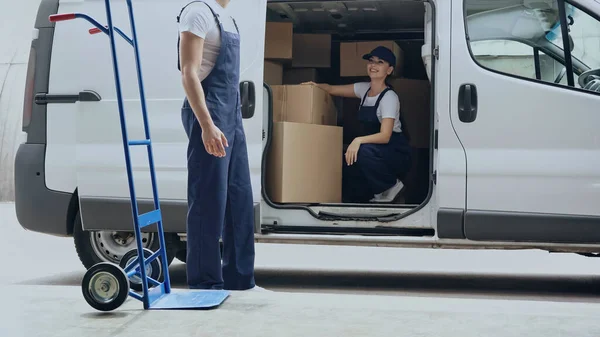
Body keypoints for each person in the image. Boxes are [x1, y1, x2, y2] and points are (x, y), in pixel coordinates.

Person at [177, 0, 258, 291]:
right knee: (208, 200)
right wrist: (207, 125)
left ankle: (240, 279)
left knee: (239, 198)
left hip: (230, 115)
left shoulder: (227, 18)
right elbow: (188, 72)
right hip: (208, 112)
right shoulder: (197, 12)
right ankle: (204, 282)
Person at [304, 46, 412, 203]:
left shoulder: (389, 97)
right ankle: (368, 195)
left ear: (389, 70)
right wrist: (314, 85)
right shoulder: (364, 89)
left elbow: (385, 136)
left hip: (395, 152)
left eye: (379, 62)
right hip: (375, 150)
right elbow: (333, 89)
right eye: (371, 61)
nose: (373, 66)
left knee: (360, 151)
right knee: (348, 157)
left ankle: (392, 187)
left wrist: (358, 140)